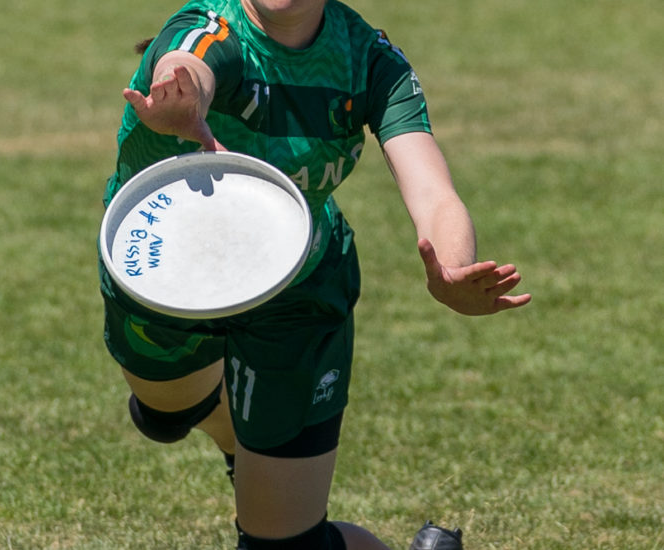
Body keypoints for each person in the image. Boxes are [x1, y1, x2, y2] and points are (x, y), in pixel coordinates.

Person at [98, 0, 532, 548]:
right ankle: (250, 442)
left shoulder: (369, 63)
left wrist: (454, 266)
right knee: (166, 415)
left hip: (296, 288)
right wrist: (182, 99)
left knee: (286, 546)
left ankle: (267, 455)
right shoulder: (211, 32)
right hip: (162, 272)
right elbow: (188, 66)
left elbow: (433, 192)